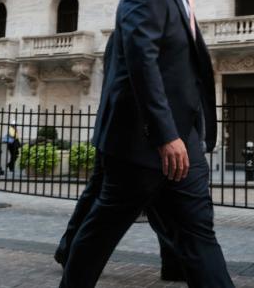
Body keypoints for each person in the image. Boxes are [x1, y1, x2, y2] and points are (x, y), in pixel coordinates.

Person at [60, 0, 233, 288]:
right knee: (102, 230)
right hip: (144, 146)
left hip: (183, 143)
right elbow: (142, 60)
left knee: (199, 232)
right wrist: (165, 133)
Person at [54, 33, 185, 282]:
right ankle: (69, 249)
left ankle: (174, 260)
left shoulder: (144, 27)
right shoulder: (135, 27)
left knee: (161, 195)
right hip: (124, 133)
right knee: (104, 195)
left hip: (134, 132)